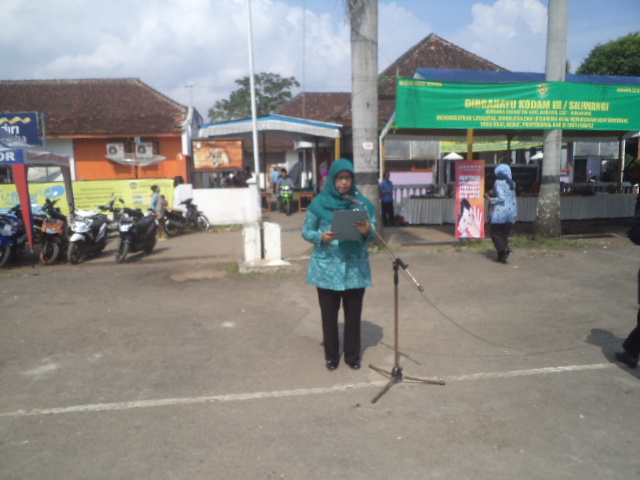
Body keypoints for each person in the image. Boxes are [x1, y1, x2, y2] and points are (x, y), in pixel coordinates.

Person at [301, 159, 377, 371]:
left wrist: (367, 231)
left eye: (348, 178)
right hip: (326, 268)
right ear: (332, 179)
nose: (344, 182)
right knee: (329, 315)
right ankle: (331, 357)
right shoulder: (319, 203)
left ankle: (353, 357)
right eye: (339, 178)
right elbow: (306, 231)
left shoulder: (360, 203)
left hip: (355, 268)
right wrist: (321, 236)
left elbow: (375, 232)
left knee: (354, 315)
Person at [485, 163, 517, 263]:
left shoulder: (498, 182)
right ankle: (502, 257)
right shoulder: (512, 183)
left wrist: (490, 199)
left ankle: (504, 250)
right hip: (510, 212)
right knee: (504, 235)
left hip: (500, 213)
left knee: (494, 233)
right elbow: (513, 199)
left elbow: (501, 198)